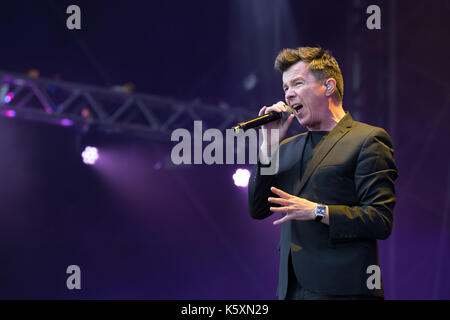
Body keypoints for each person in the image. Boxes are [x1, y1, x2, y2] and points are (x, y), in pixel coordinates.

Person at [247, 46, 398, 300]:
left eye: (297, 83)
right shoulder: (286, 149)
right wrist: (268, 146)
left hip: (344, 291)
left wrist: (317, 211)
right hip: (291, 291)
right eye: (285, 88)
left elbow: (380, 220)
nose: (289, 94)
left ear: (328, 87)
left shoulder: (367, 139)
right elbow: (258, 209)